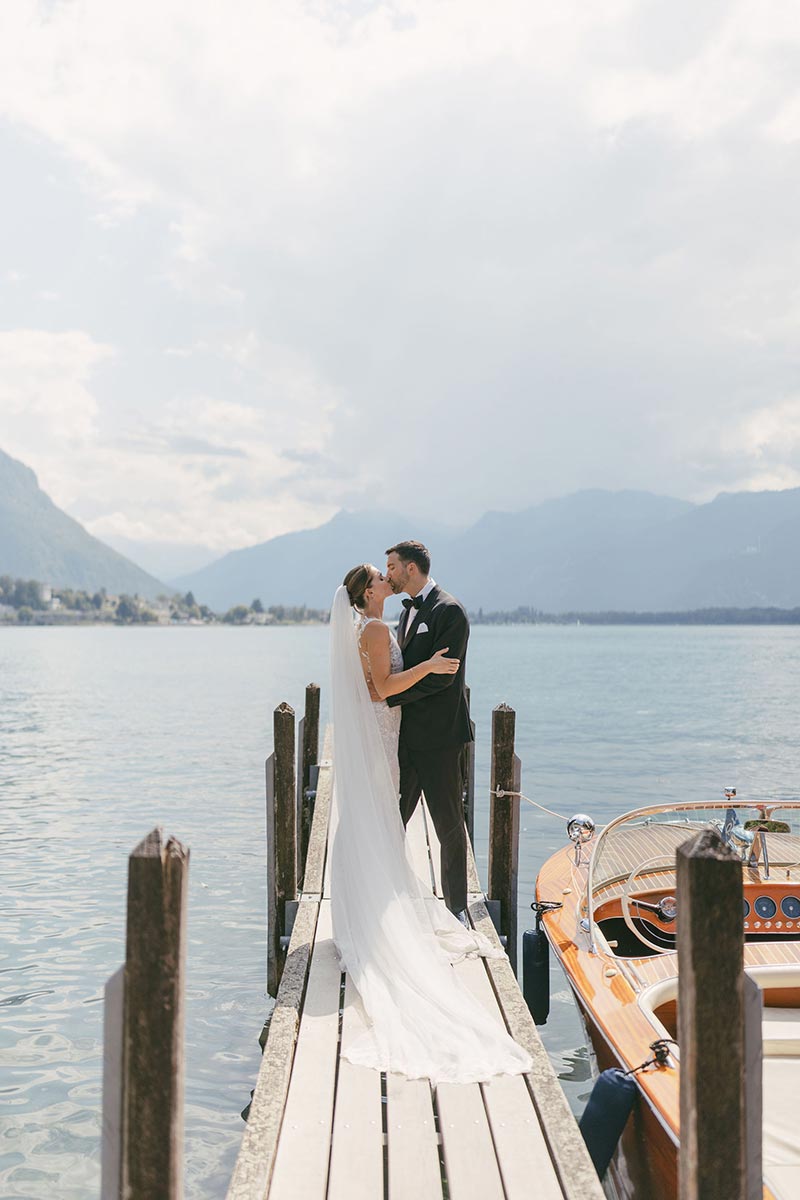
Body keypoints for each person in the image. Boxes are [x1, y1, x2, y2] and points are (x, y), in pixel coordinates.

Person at [329, 562, 532, 1085]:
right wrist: (430, 669)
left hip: (394, 735)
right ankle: (373, 909)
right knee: (378, 819)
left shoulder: (387, 622)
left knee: (379, 822)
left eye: (391, 570)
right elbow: (379, 689)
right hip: (382, 731)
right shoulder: (375, 627)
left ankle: (373, 904)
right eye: (381, 575)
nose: (387, 579)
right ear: (367, 590)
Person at [384, 541, 473, 920]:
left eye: (391, 566)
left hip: (439, 740)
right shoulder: (405, 615)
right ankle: (384, 900)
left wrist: (391, 696)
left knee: (449, 826)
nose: (387, 573)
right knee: (391, 820)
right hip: (407, 740)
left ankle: (456, 908)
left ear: (410, 569)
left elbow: (443, 678)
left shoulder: (449, 611)